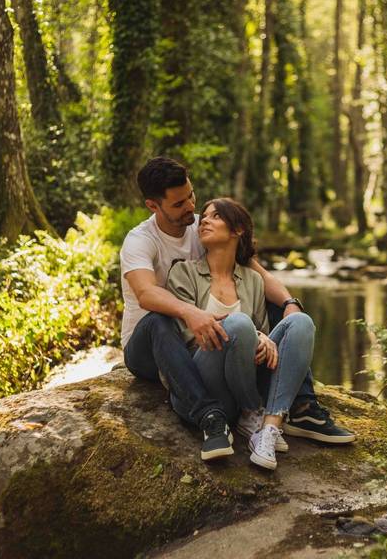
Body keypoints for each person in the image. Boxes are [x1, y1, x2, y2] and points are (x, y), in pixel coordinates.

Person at [120, 157, 355, 463]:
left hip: (218, 341)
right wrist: (191, 312)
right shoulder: (141, 240)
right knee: (161, 318)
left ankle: (302, 408)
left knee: (290, 316)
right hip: (154, 345)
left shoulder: (199, 228)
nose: (191, 208)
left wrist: (289, 304)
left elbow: (258, 274)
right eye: (179, 204)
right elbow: (146, 293)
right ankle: (210, 415)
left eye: (191, 196)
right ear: (154, 206)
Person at [167, 197, 314, 470]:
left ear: (237, 230)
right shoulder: (183, 273)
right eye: (204, 217)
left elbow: (261, 342)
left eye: (215, 216)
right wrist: (253, 332)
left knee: (301, 322)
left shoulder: (254, 280)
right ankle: (251, 410)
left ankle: (268, 427)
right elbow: (187, 338)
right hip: (205, 383)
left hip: (245, 372)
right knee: (238, 324)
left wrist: (264, 338)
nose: (204, 220)